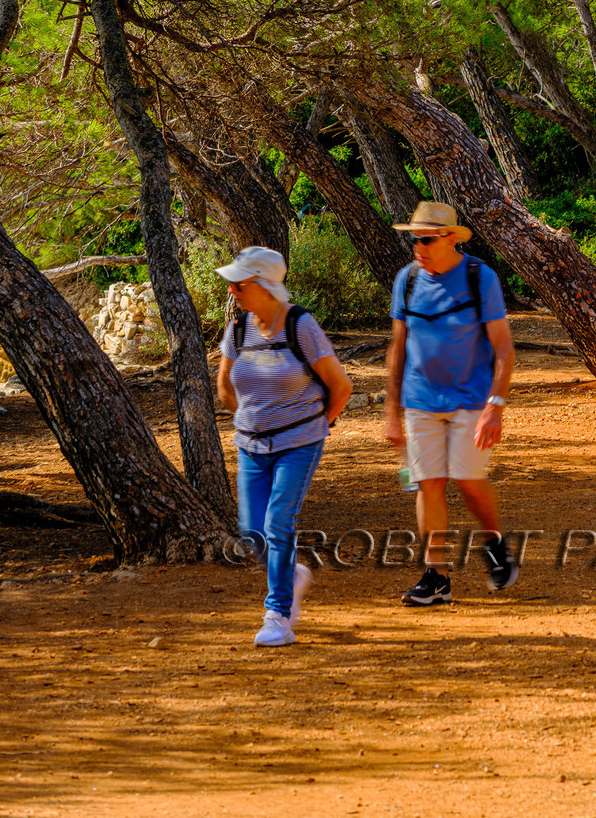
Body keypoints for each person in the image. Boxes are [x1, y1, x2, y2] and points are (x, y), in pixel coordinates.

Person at [215, 245, 353, 648]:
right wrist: (255, 419)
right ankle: (292, 574)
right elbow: (225, 388)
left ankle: (277, 615)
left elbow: (340, 387)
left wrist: (312, 426)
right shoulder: (239, 329)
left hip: (299, 442)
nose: (232, 292)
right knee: (252, 532)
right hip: (251, 445)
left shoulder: (300, 325)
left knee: (278, 523)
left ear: (264, 285)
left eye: (238, 285)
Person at [383, 200, 518, 608]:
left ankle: (495, 545)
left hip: (472, 399)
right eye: (413, 241)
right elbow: (397, 346)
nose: (417, 248)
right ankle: (436, 576)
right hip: (420, 400)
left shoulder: (480, 277)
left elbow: (504, 350)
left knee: (467, 480)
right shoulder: (406, 280)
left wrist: (495, 405)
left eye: (424, 240)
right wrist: (391, 410)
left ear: (448, 239)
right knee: (429, 482)